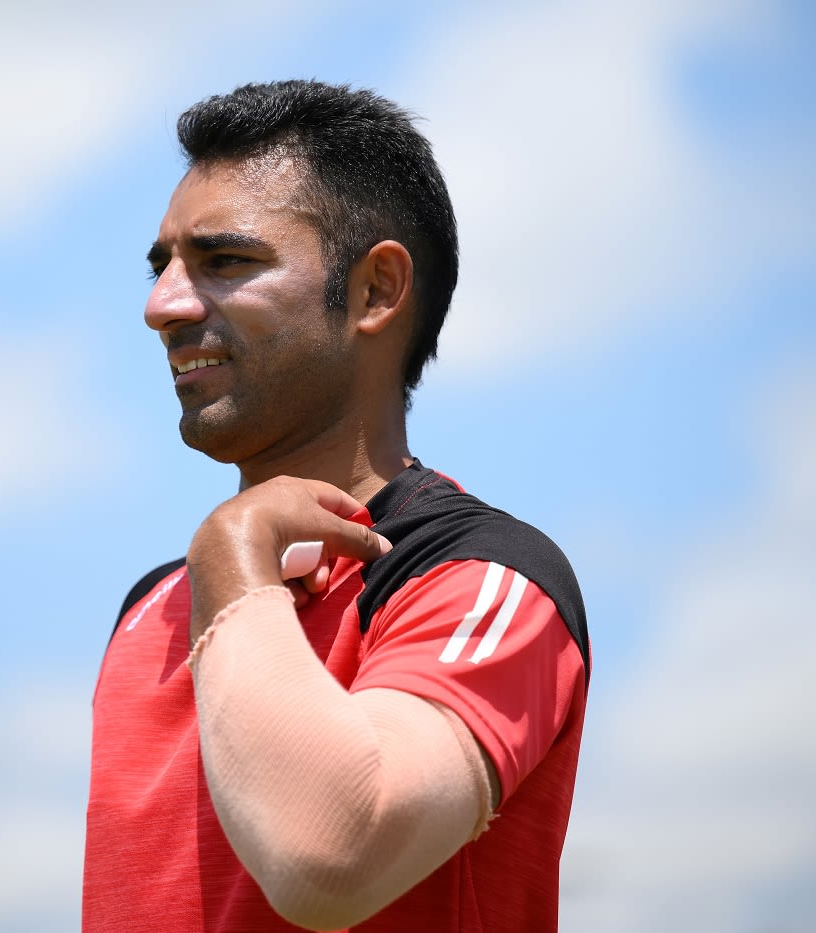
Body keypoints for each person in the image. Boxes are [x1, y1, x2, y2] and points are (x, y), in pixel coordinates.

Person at [84, 80, 589, 933]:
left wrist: (234, 565)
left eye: (226, 261)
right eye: (162, 264)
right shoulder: (149, 613)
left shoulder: (484, 579)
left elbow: (332, 854)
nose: (161, 305)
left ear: (376, 290)